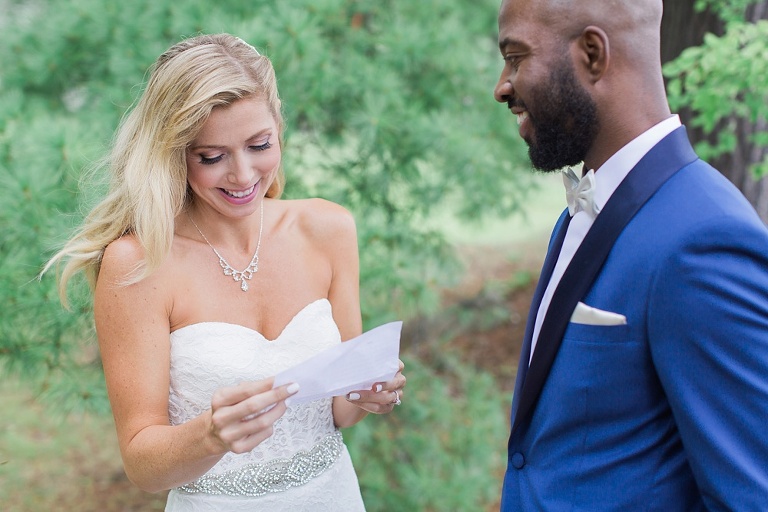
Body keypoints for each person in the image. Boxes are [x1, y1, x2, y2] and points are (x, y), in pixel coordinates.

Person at [44, 33, 405, 511]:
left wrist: (366, 394)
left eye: (259, 145)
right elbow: (143, 466)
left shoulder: (328, 228)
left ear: (279, 127)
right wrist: (208, 436)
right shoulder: (138, 262)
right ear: (174, 153)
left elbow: (338, 411)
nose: (242, 175)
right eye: (211, 157)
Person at [493, 0, 768, 510]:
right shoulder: (586, 205)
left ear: (593, 54)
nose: (502, 86)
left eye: (516, 57)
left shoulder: (703, 238)